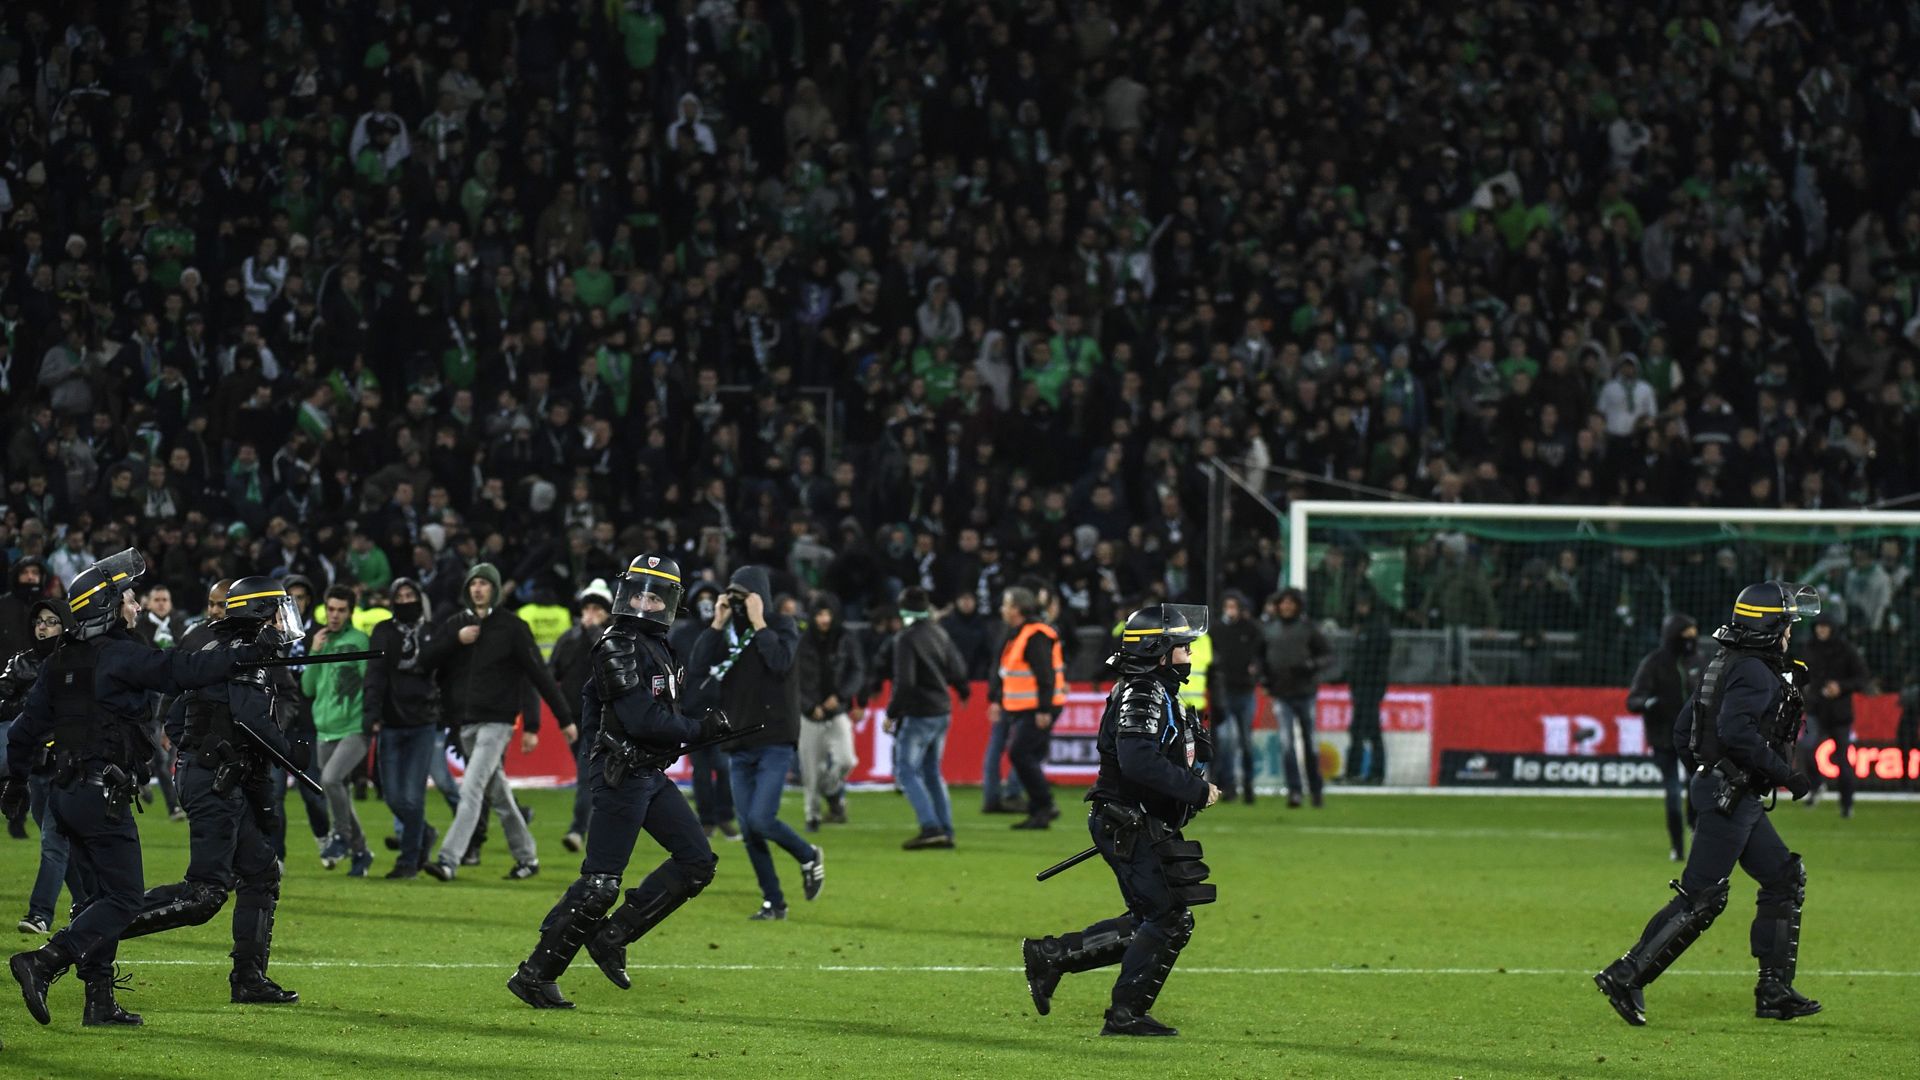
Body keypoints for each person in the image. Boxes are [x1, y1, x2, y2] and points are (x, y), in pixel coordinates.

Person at [3, 550, 260, 1029]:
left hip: (64, 797)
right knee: (122, 900)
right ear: (108, 606)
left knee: (96, 899)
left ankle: (98, 1002)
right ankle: (45, 960)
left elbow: (22, 735)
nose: (137, 606)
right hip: (103, 796)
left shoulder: (60, 661)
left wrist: (16, 784)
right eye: (130, 598)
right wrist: (244, 654)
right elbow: (184, 670)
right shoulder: (120, 655)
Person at [1595, 581, 1823, 1027]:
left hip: (1728, 793)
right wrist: (1785, 775)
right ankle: (1626, 974)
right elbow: (1738, 732)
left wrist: (1709, 774)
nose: (1790, 634)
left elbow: (1685, 732)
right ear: (1771, 627)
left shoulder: (1722, 663)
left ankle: (1774, 991)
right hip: (1733, 797)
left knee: (1783, 877)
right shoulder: (1757, 671)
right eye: (1787, 625)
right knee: (1702, 896)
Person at [507, 555, 729, 1008]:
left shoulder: (661, 648)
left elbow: (662, 714)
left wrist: (705, 721)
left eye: (654, 595)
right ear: (625, 594)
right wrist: (698, 730)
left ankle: (612, 937)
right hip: (620, 775)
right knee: (600, 884)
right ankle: (534, 974)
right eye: (638, 592)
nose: (643, 603)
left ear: (667, 602)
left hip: (647, 773)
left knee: (697, 862)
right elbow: (640, 718)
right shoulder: (618, 644)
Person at [1021, 604, 1220, 1037]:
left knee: (1157, 917)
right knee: (1167, 918)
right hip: (1126, 822)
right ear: (1158, 649)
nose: (1189, 654)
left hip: (1133, 820)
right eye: (1182, 646)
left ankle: (1053, 956)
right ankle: (1124, 1014)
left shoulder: (1155, 691)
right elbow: (1138, 762)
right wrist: (1196, 790)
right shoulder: (1144, 692)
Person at [120, 575, 307, 1005]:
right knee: (204, 895)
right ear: (261, 614)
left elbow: (177, 719)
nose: (284, 621)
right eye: (278, 611)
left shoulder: (222, 652)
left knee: (261, 871)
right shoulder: (240, 660)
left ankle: (249, 979)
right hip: (215, 781)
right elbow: (254, 724)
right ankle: (88, 928)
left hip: (216, 776)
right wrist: (293, 755)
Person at [422, 563, 577, 882]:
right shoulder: (456, 625)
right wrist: (455, 640)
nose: (478, 588)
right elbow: (425, 661)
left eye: (484, 583)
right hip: (464, 724)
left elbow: (539, 675)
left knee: (472, 788)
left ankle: (449, 860)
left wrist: (563, 719)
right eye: (473, 583)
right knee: (500, 795)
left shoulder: (513, 627)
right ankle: (527, 857)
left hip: (497, 723)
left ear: (494, 588)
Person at [690, 566, 821, 919]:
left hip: (775, 738)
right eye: (733, 594)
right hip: (739, 741)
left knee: (761, 819)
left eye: (744, 594)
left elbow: (779, 662)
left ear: (760, 596)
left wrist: (760, 620)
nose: (737, 601)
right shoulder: (728, 632)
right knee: (749, 830)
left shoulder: (783, 625)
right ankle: (773, 902)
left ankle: (808, 855)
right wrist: (717, 623)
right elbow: (698, 667)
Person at [4, 601, 92, 935]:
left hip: (66, 764)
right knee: (60, 842)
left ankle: (40, 914)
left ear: (65, 625)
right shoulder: (22, 663)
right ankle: (88, 903)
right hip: (37, 767)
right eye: (39, 621)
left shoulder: (75, 661)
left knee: (54, 842)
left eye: (52, 621)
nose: (44, 628)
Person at [872, 587, 969, 849]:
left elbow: (905, 682)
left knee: (906, 769)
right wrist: (963, 691)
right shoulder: (939, 633)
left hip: (919, 713)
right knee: (931, 771)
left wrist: (891, 713)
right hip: (942, 711)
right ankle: (945, 829)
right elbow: (958, 668)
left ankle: (930, 826)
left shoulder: (905, 638)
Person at [364, 578, 443, 878]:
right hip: (391, 721)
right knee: (393, 796)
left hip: (424, 722)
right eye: (401, 595)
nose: (406, 600)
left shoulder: (433, 632)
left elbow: (443, 674)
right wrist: (371, 712)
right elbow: (375, 673)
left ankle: (409, 861)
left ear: (419, 598)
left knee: (412, 797)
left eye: (411, 595)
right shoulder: (383, 631)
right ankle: (424, 832)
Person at [304, 587, 373, 876]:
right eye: (331, 609)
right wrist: (314, 651)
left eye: (341, 610)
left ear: (351, 612)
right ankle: (361, 852)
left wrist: (372, 719)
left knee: (331, 779)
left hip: (354, 727)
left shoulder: (359, 641)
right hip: (325, 728)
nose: (334, 615)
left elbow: (370, 684)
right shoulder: (320, 640)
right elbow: (307, 687)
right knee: (337, 790)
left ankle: (341, 837)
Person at [1625, 615, 1702, 860]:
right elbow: (1634, 699)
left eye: (1694, 633)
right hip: (1664, 738)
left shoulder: (1699, 662)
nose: (1691, 639)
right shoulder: (1654, 663)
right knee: (1672, 791)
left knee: (1697, 788)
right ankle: (1677, 846)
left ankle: (1695, 830)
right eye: (1686, 634)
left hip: (1694, 738)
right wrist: (1648, 704)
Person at [993, 587, 1067, 830]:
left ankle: (1045, 804)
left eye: (1006, 604)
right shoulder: (1021, 633)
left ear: (1017, 609)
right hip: (1026, 707)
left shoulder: (1035, 635)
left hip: (1037, 708)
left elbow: (1045, 675)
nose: (1002, 609)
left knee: (1019, 754)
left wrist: (1043, 710)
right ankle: (1040, 811)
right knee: (1027, 756)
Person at [670, 582, 737, 840]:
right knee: (700, 769)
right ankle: (707, 819)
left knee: (722, 766)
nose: (706, 602)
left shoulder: (726, 634)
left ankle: (724, 817)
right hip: (692, 711)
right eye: (703, 597)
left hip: (720, 709)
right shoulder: (682, 634)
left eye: (711, 597)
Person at [552, 580, 614, 853]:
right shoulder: (568, 638)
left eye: (597, 609)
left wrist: (592, 634)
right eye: (587, 608)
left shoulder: (611, 639)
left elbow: (605, 662)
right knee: (595, 776)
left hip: (601, 719)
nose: (590, 614)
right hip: (573, 718)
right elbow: (551, 672)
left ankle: (578, 829)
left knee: (586, 774)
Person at [794, 594, 865, 832]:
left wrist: (842, 696)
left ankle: (833, 790)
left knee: (847, 760)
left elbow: (857, 671)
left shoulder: (846, 638)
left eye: (827, 614)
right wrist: (808, 706)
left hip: (837, 712)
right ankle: (812, 816)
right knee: (810, 771)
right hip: (810, 715)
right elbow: (793, 679)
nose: (823, 619)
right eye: (819, 615)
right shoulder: (801, 641)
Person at [1262, 588, 1332, 808]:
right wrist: (1264, 678)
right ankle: (1294, 791)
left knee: (1310, 745)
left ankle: (1316, 789)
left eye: (1291, 603)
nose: (1286, 606)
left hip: (1305, 693)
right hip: (1282, 694)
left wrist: (1311, 666)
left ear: (1298, 605)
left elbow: (1328, 655)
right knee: (1286, 745)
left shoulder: (1308, 629)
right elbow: (1261, 658)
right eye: (1283, 602)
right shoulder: (1270, 630)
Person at [1798, 614, 1869, 818]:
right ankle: (1817, 784)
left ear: (1833, 628)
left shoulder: (1846, 650)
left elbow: (1862, 678)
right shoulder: (1809, 648)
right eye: (1818, 626)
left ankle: (1846, 804)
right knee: (1806, 748)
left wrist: (1841, 687)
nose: (1821, 630)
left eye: (1825, 627)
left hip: (1840, 714)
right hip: (1815, 709)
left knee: (1843, 761)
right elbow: (1800, 672)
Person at [1205, 591, 1264, 801]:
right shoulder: (1216, 631)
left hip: (1246, 691)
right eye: (1227, 606)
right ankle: (1228, 786)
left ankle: (1249, 784)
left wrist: (1256, 666)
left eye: (1233, 606)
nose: (1230, 610)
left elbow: (1262, 654)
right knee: (1225, 739)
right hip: (1224, 692)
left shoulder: (1252, 629)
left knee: (1246, 741)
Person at [1342, 589, 1392, 786]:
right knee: (1358, 730)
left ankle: (1375, 773)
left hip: (1370, 687)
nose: (1360, 608)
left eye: (1363, 605)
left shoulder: (1377, 629)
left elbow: (1373, 661)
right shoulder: (1363, 628)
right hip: (1360, 686)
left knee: (1370, 730)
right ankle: (1355, 772)